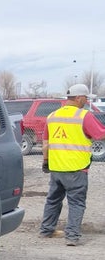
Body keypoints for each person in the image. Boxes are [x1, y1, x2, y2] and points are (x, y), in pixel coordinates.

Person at [39, 83, 105, 246]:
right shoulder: (84, 116)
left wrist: (46, 161)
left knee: (53, 200)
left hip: (56, 168)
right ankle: (72, 236)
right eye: (85, 98)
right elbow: (100, 134)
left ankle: (46, 230)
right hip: (76, 168)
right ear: (79, 98)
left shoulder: (52, 116)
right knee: (76, 203)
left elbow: (45, 143)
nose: (86, 101)